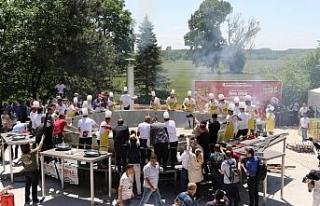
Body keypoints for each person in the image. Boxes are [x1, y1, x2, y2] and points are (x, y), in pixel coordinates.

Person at [20, 134, 45, 205]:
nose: (30, 144)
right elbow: (39, 146)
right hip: (34, 172)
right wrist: (42, 139)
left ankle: (27, 199)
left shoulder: (22, 155)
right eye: (29, 144)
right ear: (28, 147)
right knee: (34, 186)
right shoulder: (32, 152)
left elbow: (23, 165)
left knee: (27, 186)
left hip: (27, 173)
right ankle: (35, 200)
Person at [127, 133, 142, 198]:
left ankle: (131, 194)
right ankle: (139, 193)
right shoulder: (138, 146)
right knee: (138, 180)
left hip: (130, 164)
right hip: (137, 164)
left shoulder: (128, 146)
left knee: (131, 180)